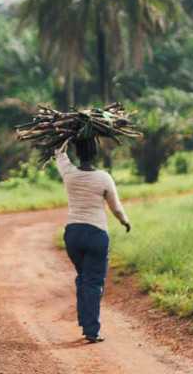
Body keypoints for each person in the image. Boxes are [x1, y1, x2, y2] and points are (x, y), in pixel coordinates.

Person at [55, 137, 131, 344]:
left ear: (77, 153)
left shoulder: (69, 173)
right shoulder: (103, 178)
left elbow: (59, 154)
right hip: (96, 234)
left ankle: (85, 321)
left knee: (83, 278)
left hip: (73, 234)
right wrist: (125, 221)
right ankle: (91, 330)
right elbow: (115, 207)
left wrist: (66, 138)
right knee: (93, 282)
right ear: (95, 153)